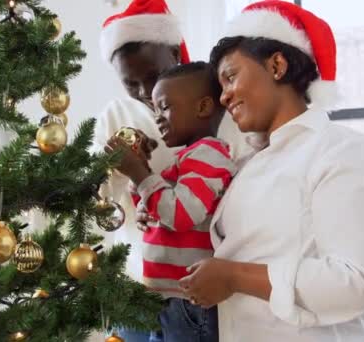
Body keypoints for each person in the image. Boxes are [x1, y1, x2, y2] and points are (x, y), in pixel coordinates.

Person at [174, 2, 364, 341]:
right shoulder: (251, 165)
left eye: (230, 77)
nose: (223, 97)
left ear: (277, 65)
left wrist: (234, 277)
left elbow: (362, 281)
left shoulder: (347, 153)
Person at [94, 1, 246, 340]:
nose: (145, 93)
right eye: (130, 83)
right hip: (143, 283)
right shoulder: (118, 114)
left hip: (189, 291)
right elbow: (108, 199)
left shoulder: (214, 119)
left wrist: (140, 174)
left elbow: (190, 207)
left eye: (151, 76)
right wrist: (139, 191)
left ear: (175, 54)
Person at [107, 62, 235, 341]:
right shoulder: (187, 159)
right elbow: (156, 206)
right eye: (155, 110)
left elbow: (181, 214)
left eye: (164, 107)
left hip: (188, 302)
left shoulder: (209, 155)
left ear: (202, 108)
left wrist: (140, 172)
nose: (158, 118)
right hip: (169, 298)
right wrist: (139, 169)